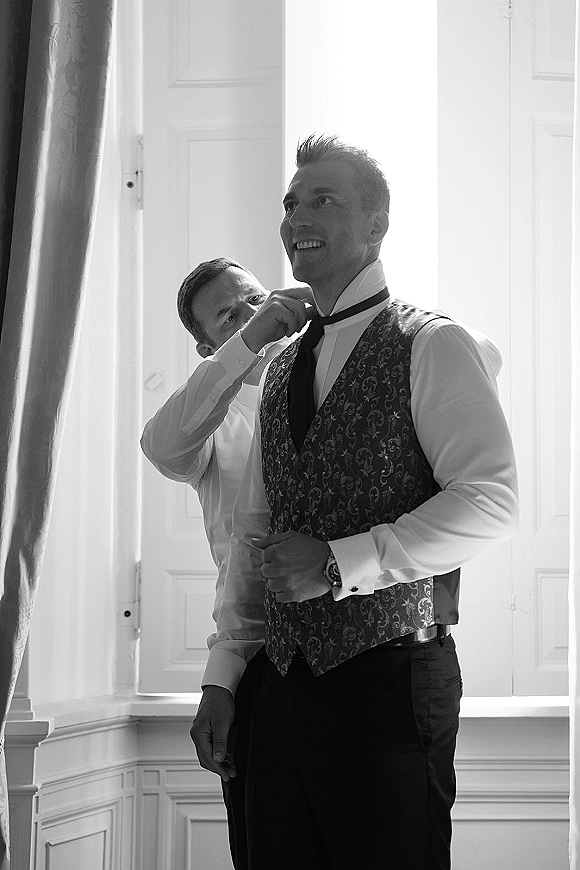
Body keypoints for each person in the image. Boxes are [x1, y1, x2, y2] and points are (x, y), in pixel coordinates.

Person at [190, 136, 519, 870]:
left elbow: (492, 499)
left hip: (392, 685)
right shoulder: (274, 372)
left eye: (323, 199)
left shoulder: (433, 343)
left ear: (376, 225)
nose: (296, 215)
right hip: (275, 692)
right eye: (291, 202)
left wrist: (340, 563)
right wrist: (223, 676)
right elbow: (254, 539)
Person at [140, 257, 313, 870]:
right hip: (257, 657)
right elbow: (160, 446)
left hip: (360, 643)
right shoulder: (211, 419)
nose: (254, 315)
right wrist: (252, 339)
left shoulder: (331, 380)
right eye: (230, 315)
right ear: (205, 342)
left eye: (256, 299)